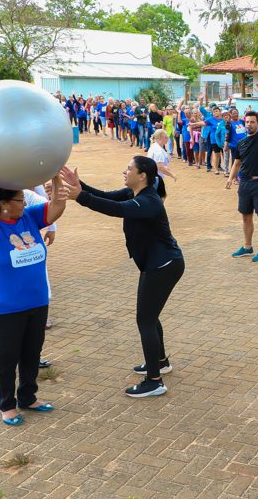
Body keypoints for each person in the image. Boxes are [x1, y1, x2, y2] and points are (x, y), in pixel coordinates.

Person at [60, 157, 184, 398]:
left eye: (129, 169)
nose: (124, 171)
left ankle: (155, 381)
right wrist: (79, 184)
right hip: (156, 264)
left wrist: (80, 197)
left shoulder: (149, 201)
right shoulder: (132, 192)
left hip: (164, 266)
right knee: (150, 316)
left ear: (143, 176)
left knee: (145, 320)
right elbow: (106, 196)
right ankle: (160, 362)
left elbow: (117, 210)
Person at [0, 165, 67, 424]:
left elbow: (56, 206)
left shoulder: (28, 217)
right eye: (19, 199)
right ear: (3, 204)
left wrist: (55, 175)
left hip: (35, 301)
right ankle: (7, 405)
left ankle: (28, 397)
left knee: (31, 353)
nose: (24, 202)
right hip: (3, 308)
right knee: (6, 358)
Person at [226, 84, 258, 262]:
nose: (249, 124)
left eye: (252, 122)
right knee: (245, 217)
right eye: (247, 122)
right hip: (244, 184)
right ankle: (247, 246)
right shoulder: (241, 143)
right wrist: (231, 178)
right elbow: (237, 162)